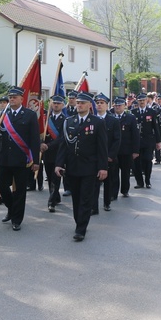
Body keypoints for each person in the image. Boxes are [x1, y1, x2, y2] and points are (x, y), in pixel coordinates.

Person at [55, 92, 109, 241]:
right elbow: (63, 145)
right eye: (77, 103)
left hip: (89, 167)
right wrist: (59, 164)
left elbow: (102, 147)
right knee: (76, 198)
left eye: (82, 103)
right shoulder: (69, 121)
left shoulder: (97, 122)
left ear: (89, 105)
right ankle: (79, 221)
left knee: (86, 198)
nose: (79, 105)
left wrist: (103, 167)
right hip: (72, 167)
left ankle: (81, 229)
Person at [0, 86, 40, 231]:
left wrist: (36, 161)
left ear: (21, 99)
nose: (11, 99)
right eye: (10, 97)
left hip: (21, 159)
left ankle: (17, 219)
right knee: (1, 185)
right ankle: (12, 209)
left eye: (14, 97)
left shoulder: (29, 115)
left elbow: (35, 140)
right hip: (4, 157)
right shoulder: (2, 115)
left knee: (20, 190)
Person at [92, 93, 120, 213]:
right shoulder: (91, 119)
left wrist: (110, 156)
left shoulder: (113, 120)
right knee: (94, 183)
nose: (99, 105)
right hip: (94, 157)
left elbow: (117, 140)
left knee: (108, 181)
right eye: (97, 103)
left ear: (107, 105)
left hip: (108, 157)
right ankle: (94, 206)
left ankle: (107, 202)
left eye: (101, 103)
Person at [41, 95, 66, 212]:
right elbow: (40, 133)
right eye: (54, 103)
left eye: (58, 103)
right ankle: (56, 196)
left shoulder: (66, 120)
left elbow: (62, 138)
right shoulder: (45, 119)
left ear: (63, 105)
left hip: (59, 153)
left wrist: (48, 145)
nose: (56, 105)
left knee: (56, 178)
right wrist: (41, 143)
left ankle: (51, 202)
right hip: (47, 154)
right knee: (50, 178)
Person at [111, 97, 139, 198]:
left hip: (126, 150)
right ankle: (113, 193)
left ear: (124, 106)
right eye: (116, 105)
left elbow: (135, 135)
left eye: (120, 105)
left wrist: (135, 150)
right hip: (114, 150)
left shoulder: (130, 117)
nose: (117, 107)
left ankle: (125, 190)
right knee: (113, 173)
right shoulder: (111, 116)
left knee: (125, 172)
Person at [131, 93, 160, 189]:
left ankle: (147, 180)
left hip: (148, 141)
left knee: (148, 160)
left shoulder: (151, 112)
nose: (142, 102)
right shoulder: (133, 112)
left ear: (146, 100)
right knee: (136, 163)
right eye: (140, 100)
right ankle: (139, 182)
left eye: (143, 100)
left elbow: (156, 128)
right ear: (137, 101)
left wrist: (158, 142)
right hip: (136, 142)